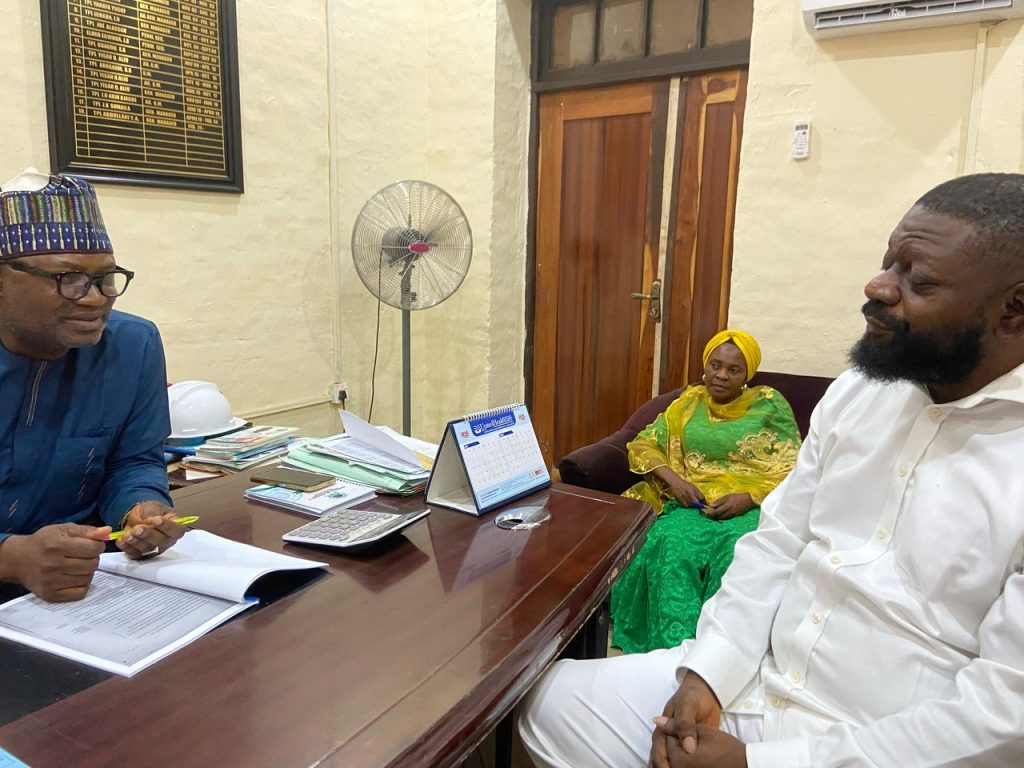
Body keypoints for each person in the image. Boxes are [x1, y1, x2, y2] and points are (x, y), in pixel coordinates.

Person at [518, 172, 1024, 768]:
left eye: (919, 279)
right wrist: (708, 675)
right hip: (757, 679)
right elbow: (777, 544)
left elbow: (1004, 715)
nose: (878, 286)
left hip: (886, 737)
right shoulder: (860, 394)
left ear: (1013, 309)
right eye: (888, 261)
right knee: (540, 703)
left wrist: (756, 764)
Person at [0, 169, 186, 603]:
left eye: (107, 278)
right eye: (69, 279)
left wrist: (141, 508)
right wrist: (10, 558)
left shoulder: (132, 345)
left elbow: (133, 461)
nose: (97, 297)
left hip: (87, 584)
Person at [612, 330, 800, 652]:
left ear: (747, 375)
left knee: (739, 551)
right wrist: (675, 481)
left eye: (733, 370)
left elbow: (795, 465)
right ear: (705, 366)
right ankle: (671, 649)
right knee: (670, 543)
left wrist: (750, 497)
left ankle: (721, 652)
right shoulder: (688, 403)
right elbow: (644, 443)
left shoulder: (769, 404)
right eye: (715, 365)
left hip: (751, 505)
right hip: (691, 503)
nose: (721, 375)